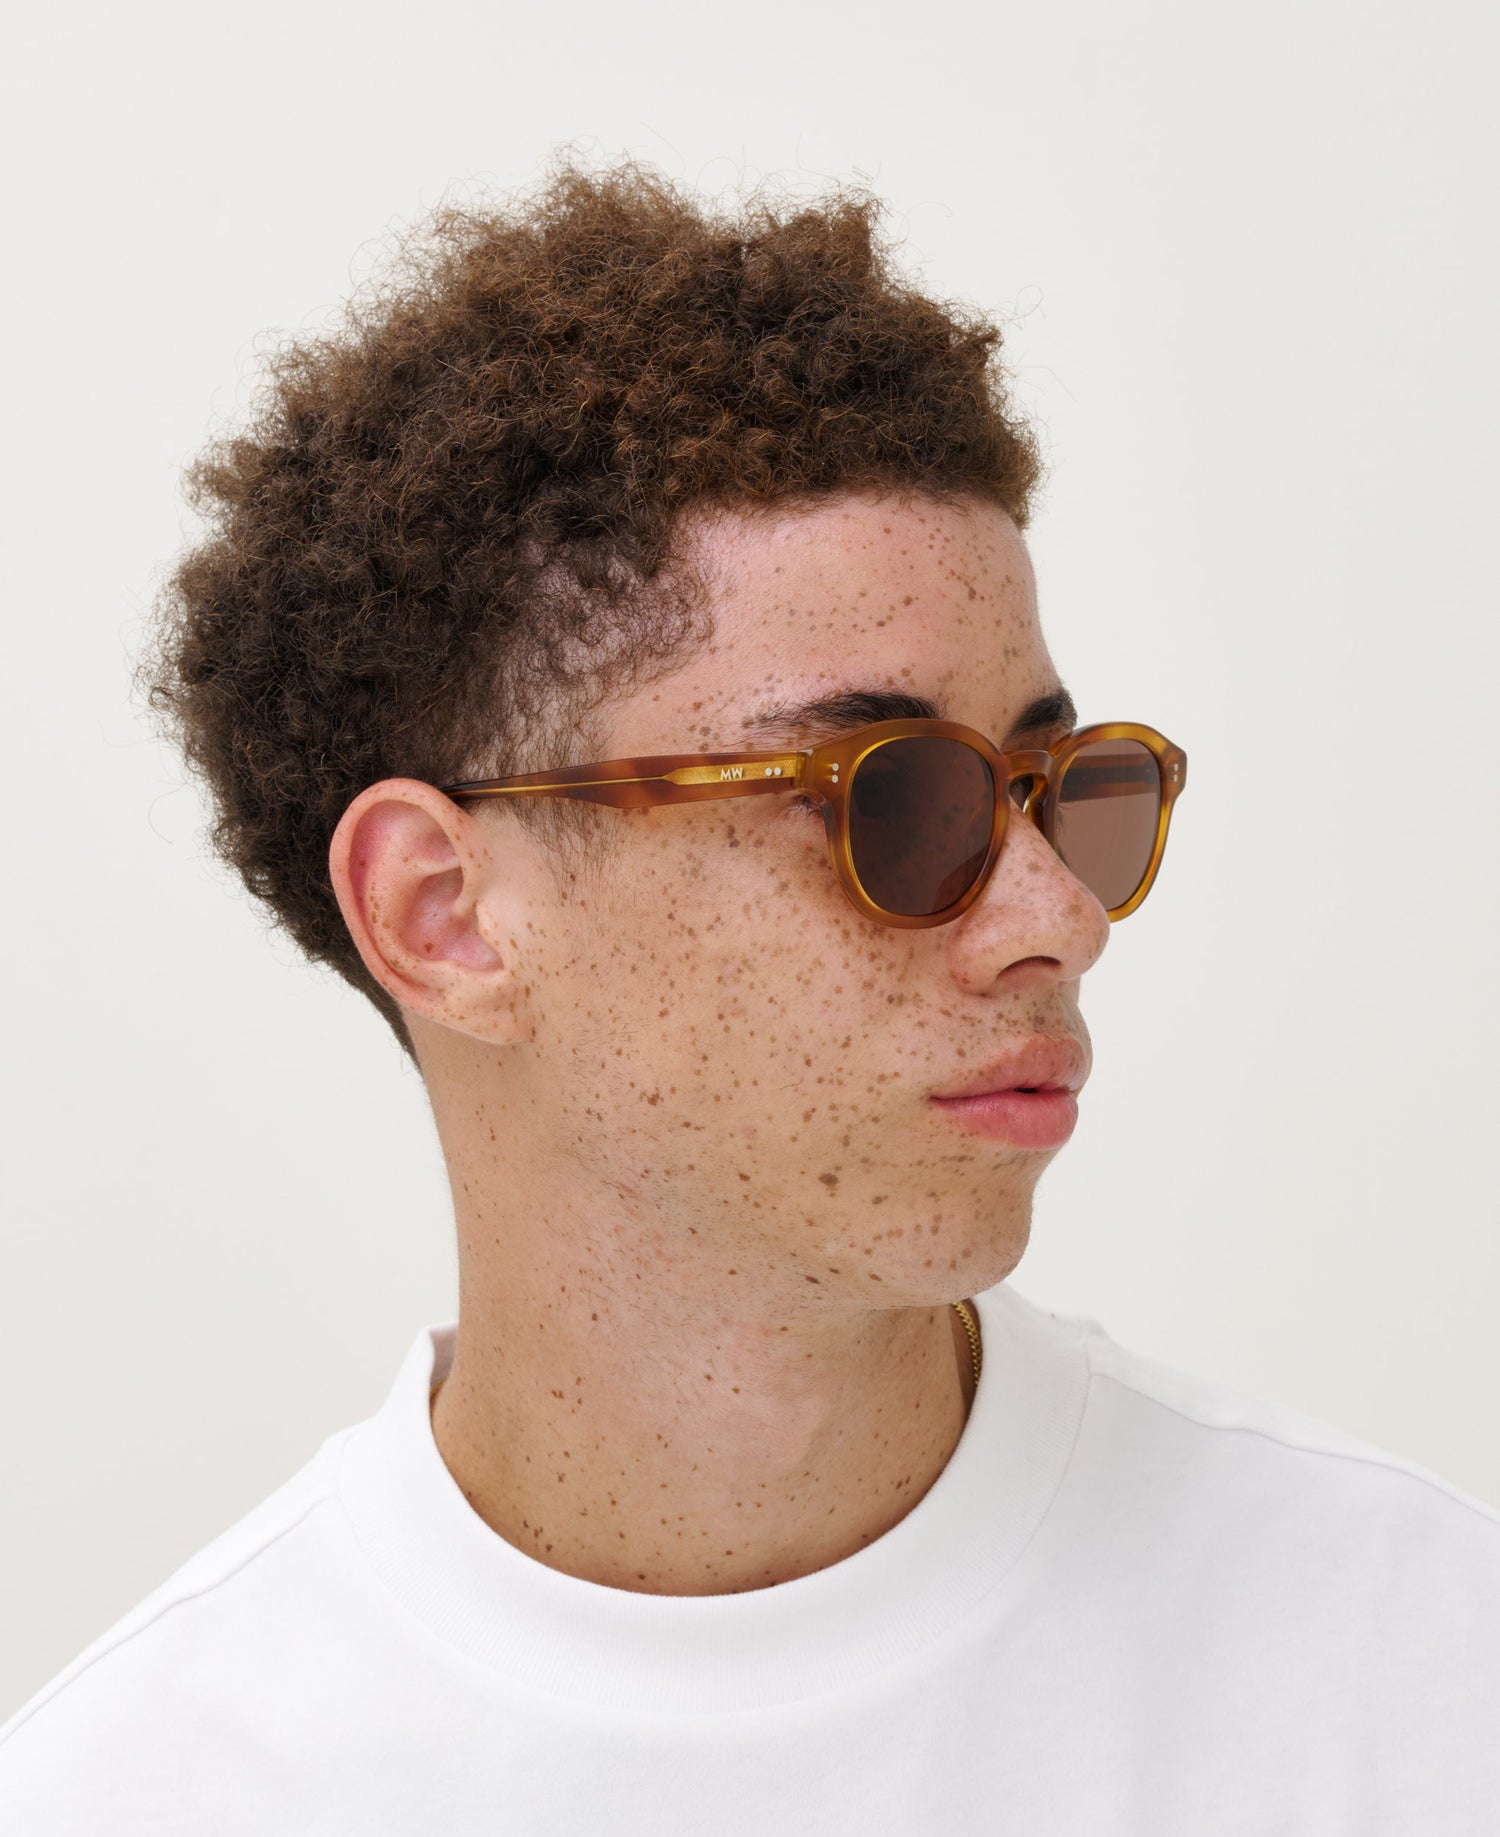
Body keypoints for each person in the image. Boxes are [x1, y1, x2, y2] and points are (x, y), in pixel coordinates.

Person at [2, 161, 1496, 1834]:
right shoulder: (138, 1793)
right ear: (446, 916)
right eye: (893, 798)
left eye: (1055, 787)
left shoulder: (1423, 1672)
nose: (1058, 917)